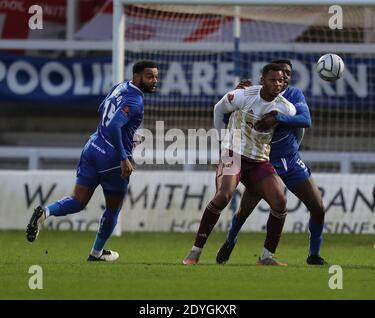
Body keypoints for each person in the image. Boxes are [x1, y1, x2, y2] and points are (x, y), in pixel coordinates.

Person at [26, 60, 158, 262]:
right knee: (113, 209)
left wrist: (129, 136)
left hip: (92, 147)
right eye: (150, 77)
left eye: (156, 77)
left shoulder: (120, 86)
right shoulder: (135, 101)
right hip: (112, 160)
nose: (154, 81)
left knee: (78, 200)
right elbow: (114, 126)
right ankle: (96, 253)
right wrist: (124, 157)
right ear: (137, 76)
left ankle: (46, 211)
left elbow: (103, 111)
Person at [216, 59, 327, 266]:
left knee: (318, 207)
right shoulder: (252, 93)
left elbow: (306, 120)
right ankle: (230, 241)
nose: (283, 77)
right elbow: (228, 114)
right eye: (279, 74)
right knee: (243, 212)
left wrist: (278, 118)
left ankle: (313, 255)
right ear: (266, 79)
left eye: (288, 74)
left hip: (290, 161)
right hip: (262, 161)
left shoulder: (294, 95)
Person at [183, 63, 296, 265]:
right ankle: (195, 251)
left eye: (280, 80)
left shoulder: (286, 107)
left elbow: (298, 129)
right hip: (233, 152)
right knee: (224, 195)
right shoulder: (243, 95)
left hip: (260, 160)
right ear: (262, 80)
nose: (278, 84)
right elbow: (218, 109)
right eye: (273, 80)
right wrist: (221, 141)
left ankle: (266, 257)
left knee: (280, 202)